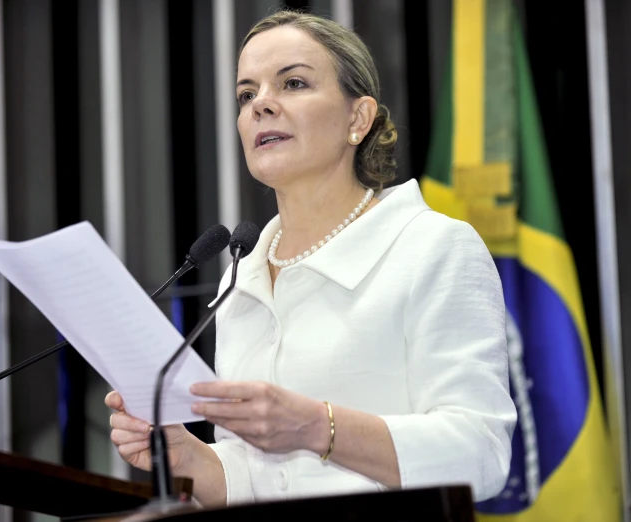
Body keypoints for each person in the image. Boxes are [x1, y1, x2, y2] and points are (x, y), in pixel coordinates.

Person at [105, 10, 516, 508]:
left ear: (358, 118)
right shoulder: (241, 278)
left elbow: (481, 452)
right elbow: (256, 476)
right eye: (246, 94)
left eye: (293, 83)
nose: (262, 106)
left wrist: (318, 427)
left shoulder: (432, 246)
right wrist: (189, 459)